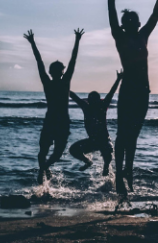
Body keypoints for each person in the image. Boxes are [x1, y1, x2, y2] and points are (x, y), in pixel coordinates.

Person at [108, 0, 158, 195]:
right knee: (123, 134)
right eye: (127, 21)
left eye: (134, 21)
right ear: (124, 25)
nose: (131, 23)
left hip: (143, 92)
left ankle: (128, 172)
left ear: (138, 24)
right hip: (129, 91)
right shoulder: (120, 38)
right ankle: (119, 175)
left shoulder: (143, 36)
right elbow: (112, 13)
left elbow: (156, 14)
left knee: (133, 135)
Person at [24, 28, 84, 184]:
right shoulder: (58, 82)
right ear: (58, 72)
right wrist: (77, 40)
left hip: (55, 120)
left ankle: (43, 169)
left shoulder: (52, 83)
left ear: (54, 72)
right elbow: (73, 60)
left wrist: (33, 43)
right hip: (58, 120)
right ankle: (44, 169)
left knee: (47, 152)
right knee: (50, 152)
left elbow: (39, 62)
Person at [69, 70, 123, 176]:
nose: (93, 102)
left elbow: (111, 93)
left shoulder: (102, 107)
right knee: (73, 150)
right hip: (92, 141)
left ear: (98, 100)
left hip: (104, 140)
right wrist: (62, 84)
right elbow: (73, 96)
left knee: (108, 152)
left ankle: (106, 166)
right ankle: (88, 161)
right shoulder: (86, 107)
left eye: (95, 100)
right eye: (91, 100)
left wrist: (118, 79)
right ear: (89, 100)